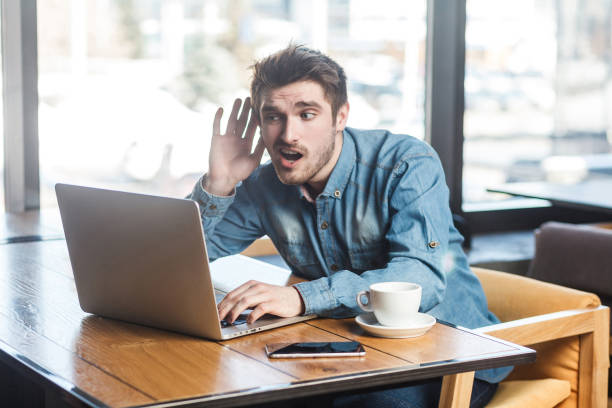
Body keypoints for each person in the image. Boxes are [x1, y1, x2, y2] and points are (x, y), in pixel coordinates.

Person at [188, 44, 509, 408]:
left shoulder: (407, 163)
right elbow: (182, 260)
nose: (288, 134)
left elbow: (420, 277)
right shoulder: (263, 185)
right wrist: (219, 184)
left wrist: (301, 297)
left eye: (307, 114)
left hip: (450, 357)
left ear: (341, 117)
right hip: (344, 349)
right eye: (273, 117)